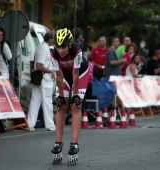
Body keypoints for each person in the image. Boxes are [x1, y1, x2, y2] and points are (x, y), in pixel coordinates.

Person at [50, 28, 89, 165]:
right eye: (58, 46)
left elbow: (75, 75)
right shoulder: (54, 54)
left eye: (64, 47)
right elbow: (59, 75)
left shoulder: (77, 52)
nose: (61, 50)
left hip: (81, 74)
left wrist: (76, 95)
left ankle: (74, 144)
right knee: (61, 106)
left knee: (75, 106)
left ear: (70, 45)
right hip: (65, 76)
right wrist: (61, 96)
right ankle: (58, 143)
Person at [28, 32, 56, 131]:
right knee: (47, 101)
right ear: (50, 39)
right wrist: (51, 71)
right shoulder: (45, 49)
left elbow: (33, 63)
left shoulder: (39, 46)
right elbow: (39, 66)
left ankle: (30, 124)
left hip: (38, 78)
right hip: (45, 79)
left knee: (35, 100)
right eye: (54, 39)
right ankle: (50, 125)